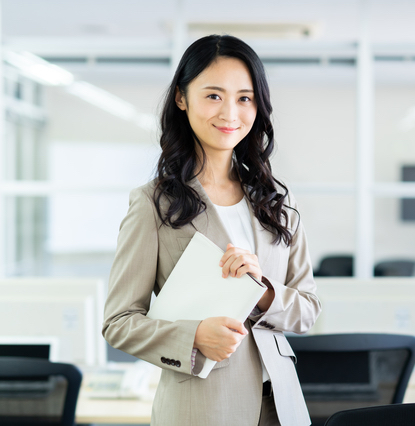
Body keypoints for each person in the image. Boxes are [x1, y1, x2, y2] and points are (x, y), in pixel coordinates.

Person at [102, 34, 321, 426]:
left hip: (281, 408)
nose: (231, 113)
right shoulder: (153, 203)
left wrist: (265, 290)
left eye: (244, 98)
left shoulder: (278, 204)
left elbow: (308, 311)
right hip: (201, 410)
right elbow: (119, 322)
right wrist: (194, 336)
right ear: (182, 99)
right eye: (214, 96)